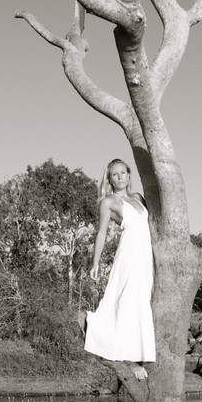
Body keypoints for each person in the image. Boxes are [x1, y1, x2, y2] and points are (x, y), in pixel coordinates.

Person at [82, 158, 155, 380]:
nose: (120, 177)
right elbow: (102, 233)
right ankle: (128, 359)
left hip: (145, 256)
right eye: (115, 174)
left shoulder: (138, 198)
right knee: (128, 300)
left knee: (143, 300)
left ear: (129, 175)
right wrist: (95, 263)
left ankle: (140, 354)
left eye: (123, 172)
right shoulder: (108, 202)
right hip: (129, 255)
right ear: (110, 179)